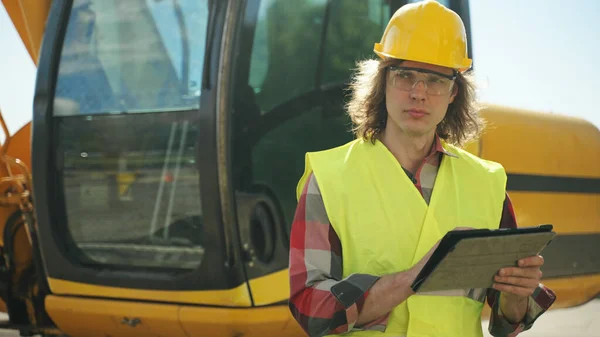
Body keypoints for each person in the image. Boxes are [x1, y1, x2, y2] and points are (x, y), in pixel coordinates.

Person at [287, 1, 555, 336]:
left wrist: (517, 295)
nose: (419, 93)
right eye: (406, 76)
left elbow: (506, 323)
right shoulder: (328, 178)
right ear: (383, 82)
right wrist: (413, 278)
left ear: (453, 92)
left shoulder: (487, 183)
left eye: (435, 80)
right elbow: (310, 307)